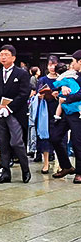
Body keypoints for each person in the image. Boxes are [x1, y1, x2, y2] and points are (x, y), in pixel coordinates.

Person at [0, 45, 31, 184]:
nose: (3, 57)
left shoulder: (22, 73)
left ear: (13, 57)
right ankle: (5, 172)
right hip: (0, 113)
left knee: (16, 142)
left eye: (6, 54)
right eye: (1, 54)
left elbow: (24, 93)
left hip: (15, 113)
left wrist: (9, 108)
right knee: (3, 143)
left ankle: (25, 169)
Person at [50, 50, 81, 183]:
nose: (72, 64)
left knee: (77, 143)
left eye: (74, 61)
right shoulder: (73, 74)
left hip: (78, 113)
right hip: (65, 112)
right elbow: (61, 81)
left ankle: (79, 172)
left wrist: (66, 98)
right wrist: (61, 88)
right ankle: (67, 166)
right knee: (55, 137)